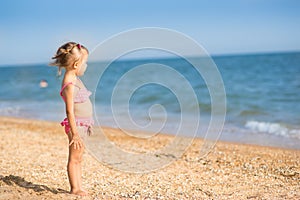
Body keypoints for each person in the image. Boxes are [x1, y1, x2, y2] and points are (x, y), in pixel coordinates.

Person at [50, 42, 94, 196]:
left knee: (79, 157)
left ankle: (79, 186)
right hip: (77, 126)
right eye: (85, 62)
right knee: (74, 158)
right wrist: (75, 133)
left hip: (83, 124)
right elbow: (69, 111)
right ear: (76, 64)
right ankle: (75, 188)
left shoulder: (74, 78)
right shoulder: (70, 85)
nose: (86, 66)